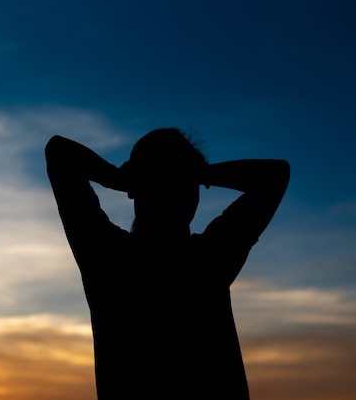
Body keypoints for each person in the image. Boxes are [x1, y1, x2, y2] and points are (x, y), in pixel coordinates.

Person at [45, 128, 290, 399]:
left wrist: (119, 177)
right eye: (171, 178)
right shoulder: (211, 256)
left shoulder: (105, 255)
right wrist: (198, 173)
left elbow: (60, 153)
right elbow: (274, 176)